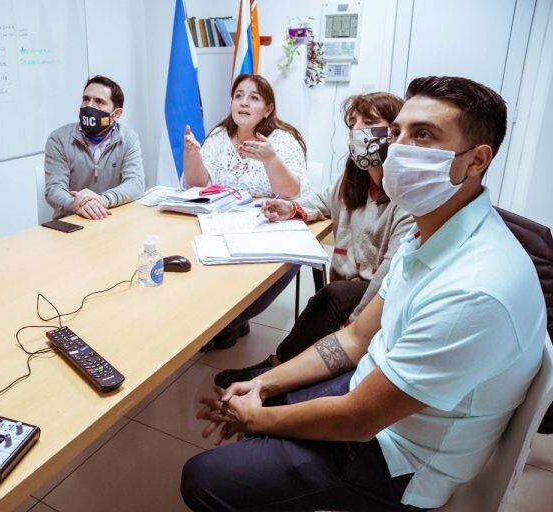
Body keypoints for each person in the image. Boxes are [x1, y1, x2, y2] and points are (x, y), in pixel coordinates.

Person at [181, 76, 547, 511]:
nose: (399, 148)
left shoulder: (475, 290)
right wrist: (260, 382)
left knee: (203, 477)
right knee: (265, 399)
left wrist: (259, 418)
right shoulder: (431, 232)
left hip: (399, 458)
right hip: (374, 392)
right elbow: (355, 340)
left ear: (476, 160)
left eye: (423, 135)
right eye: (398, 133)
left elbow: (358, 419)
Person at [214, 92, 415, 387]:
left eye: (369, 122)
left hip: (378, 298)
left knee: (329, 299)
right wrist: (292, 208)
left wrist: (353, 328)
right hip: (345, 286)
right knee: (327, 299)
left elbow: (388, 276)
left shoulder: (406, 197)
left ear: (394, 134)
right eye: (353, 122)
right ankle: (285, 365)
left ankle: (275, 369)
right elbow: (321, 201)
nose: (357, 130)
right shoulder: (354, 181)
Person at [183, 73, 310, 349]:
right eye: (238, 95)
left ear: (268, 109)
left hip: (269, 226)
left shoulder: (283, 140)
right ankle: (212, 321)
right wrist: (192, 154)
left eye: (254, 98)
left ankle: (226, 323)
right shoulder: (219, 136)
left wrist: (270, 159)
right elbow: (196, 184)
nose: (243, 102)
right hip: (221, 224)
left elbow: (291, 192)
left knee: (273, 269)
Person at [44, 75, 145, 220]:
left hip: (113, 219)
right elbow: (54, 190)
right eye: (86, 99)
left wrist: (104, 200)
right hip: (72, 222)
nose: (89, 106)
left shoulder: (128, 138)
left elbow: (135, 184)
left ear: (116, 114)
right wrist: (77, 204)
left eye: (99, 102)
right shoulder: (59, 139)